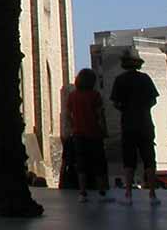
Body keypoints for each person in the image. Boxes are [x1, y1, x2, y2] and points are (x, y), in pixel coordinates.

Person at [110, 47, 160, 205]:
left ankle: (128, 194)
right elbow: (153, 100)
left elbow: (116, 103)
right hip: (145, 123)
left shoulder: (120, 80)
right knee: (149, 159)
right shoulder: (145, 78)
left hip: (128, 124)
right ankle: (152, 193)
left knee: (129, 160)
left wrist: (126, 109)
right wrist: (143, 108)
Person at [67, 68, 111, 203]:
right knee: (98, 162)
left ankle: (82, 192)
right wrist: (104, 130)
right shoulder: (95, 95)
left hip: (78, 134)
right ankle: (101, 191)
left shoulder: (72, 96)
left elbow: (68, 114)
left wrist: (73, 126)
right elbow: (100, 115)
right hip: (94, 133)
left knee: (81, 163)